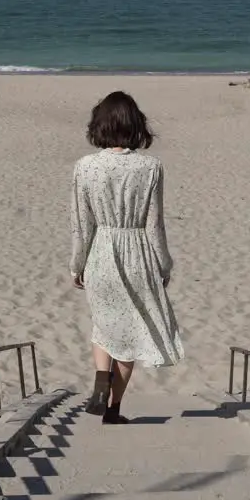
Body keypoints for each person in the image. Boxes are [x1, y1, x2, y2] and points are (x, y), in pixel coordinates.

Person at [70, 91, 185, 424]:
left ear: (99, 124)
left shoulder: (85, 167)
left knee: (104, 326)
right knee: (130, 335)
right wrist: (164, 264)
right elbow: (154, 224)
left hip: (101, 254)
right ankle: (113, 409)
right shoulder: (150, 167)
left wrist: (77, 265)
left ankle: (100, 379)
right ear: (136, 125)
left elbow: (81, 224)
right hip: (137, 255)